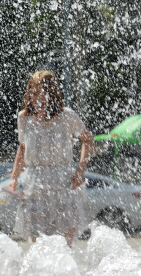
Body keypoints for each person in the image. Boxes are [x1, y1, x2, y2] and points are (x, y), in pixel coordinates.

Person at [10, 70, 94, 247]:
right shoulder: (24, 118)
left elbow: (88, 140)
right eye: (34, 93)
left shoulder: (66, 116)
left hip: (63, 186)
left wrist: (80, 172)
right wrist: (13, 178)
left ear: (53, 93)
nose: (38, 98)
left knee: (64, 249)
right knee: (38, 250)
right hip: (34, 188)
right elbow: (22, 148)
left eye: (43, 93)